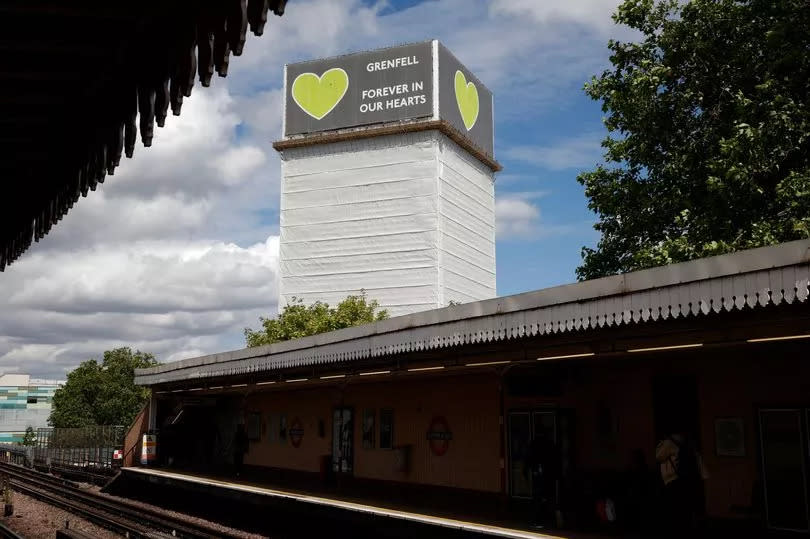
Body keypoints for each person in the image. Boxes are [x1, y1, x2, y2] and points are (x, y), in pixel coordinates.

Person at [655, 432, 708, 534]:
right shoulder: (689, 443)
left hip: (673, 481)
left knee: (675, 513)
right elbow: (700, 466)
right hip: (688, 481)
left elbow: (659, 456)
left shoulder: (668, 443)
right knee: (686, 512)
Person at [525, 429, 561, 529]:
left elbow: (528, 459)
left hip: (539, 475)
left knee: (538, 498)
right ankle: (549, 520)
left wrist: (528, 471)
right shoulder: (550, 444)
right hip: (549, 475)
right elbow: (556, 460)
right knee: (548, 497)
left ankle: (537, 520)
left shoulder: (534, 444)